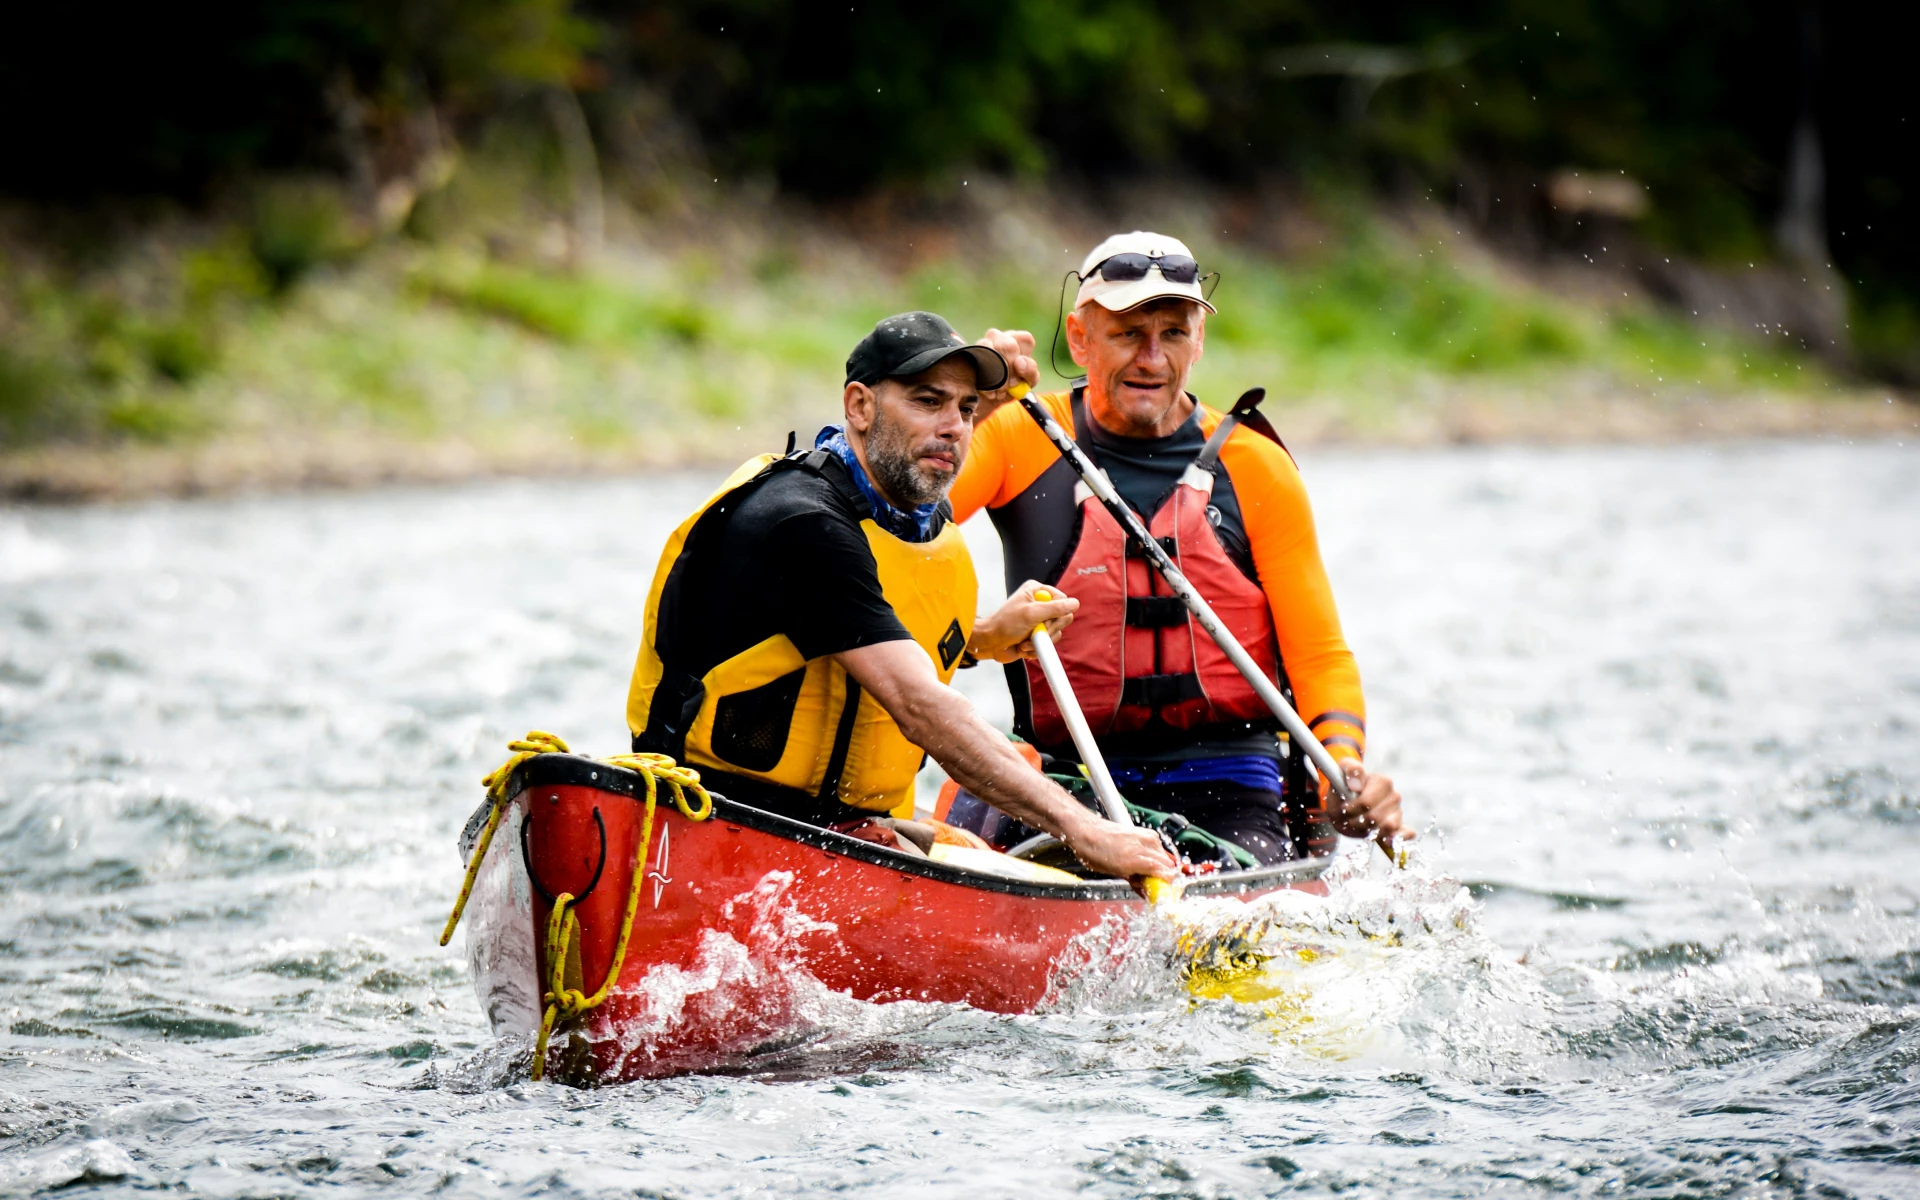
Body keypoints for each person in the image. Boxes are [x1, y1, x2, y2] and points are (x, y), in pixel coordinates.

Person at [626, 310, 1176, 882]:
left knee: (1023, 866)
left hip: (838, 827)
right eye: (927, 401)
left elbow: (852, 631)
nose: (956, 428)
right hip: (718, 823)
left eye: (966, 410)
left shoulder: (905, 512)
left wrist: (982, 639)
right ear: (859, 407)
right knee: (1065, 850)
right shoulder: (801, 522)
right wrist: (1087, 830)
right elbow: (919, 704)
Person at [949, 232, 1410, 865]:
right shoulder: (1014, 436)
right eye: (1128, 333)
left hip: (1228, 781)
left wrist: (1345, 774)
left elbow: (1321, 656)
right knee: (959, 844)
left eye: (1173, 333)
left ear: (1199, 341)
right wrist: (965, 405)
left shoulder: (1257, 468)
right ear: (1079, 338)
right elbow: (895, 529)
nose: (1152, 357)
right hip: (1063, 778)